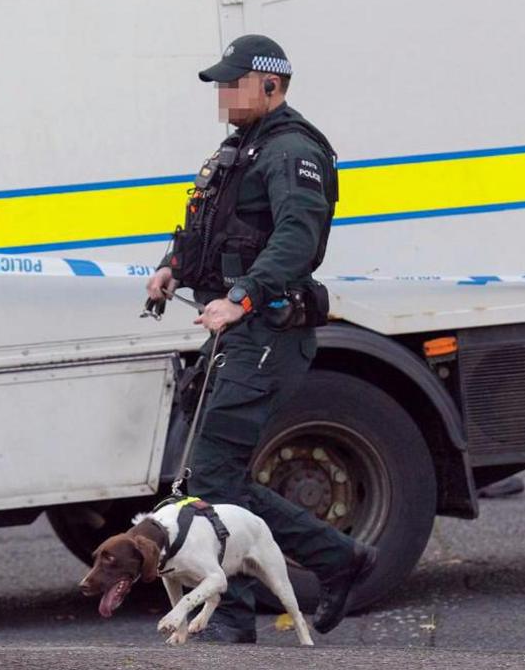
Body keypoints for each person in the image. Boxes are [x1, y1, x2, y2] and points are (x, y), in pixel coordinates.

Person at [145, 34, 377, 643]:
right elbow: (211, 225)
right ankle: (337, 559)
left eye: (232, 83)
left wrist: (242, 297)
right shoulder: (240, 148)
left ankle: (229, 619)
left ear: (270, 84)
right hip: (239, 332)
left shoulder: (293, 151)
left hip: (268, 330)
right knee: (213, 479)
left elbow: (296, 240)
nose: (222, 94)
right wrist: (174, 265)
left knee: (213, 481)